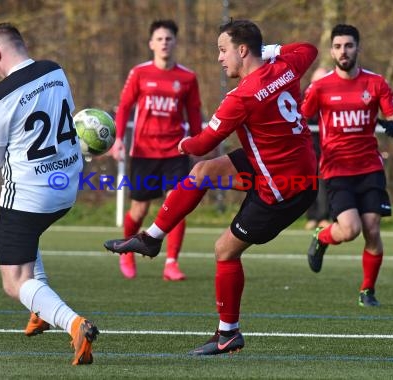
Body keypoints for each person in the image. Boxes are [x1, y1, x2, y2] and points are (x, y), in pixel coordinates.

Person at [105, 19, 318, 355]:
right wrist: (271, 51)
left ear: (242, 50)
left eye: (223, 50)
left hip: (282, 189)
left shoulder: (242, 96)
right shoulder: (286, 65)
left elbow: (204, 141)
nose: (219, 58)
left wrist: (183, 144)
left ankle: (227, 334)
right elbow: (309, 49)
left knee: (224, 250)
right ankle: (151, 239)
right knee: (203, 172)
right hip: (290, 168)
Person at [0, 23, 98, 365]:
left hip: (30, 196)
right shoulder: (54, 70)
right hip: (66, 187)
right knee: (29, 238)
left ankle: (73, 324)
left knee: (14, 282)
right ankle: (40, 310)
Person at [301, 24, 393, 307]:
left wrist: (392, 126)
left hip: (369, 168)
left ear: (358, 48)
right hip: (336, 169)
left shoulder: (375, 83)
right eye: (337, 47)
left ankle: (367, 291)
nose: (343, 52)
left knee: (372, 229)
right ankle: (322, 237)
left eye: (348, 46)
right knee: (349, 230)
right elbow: (300, 119)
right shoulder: (320, 87)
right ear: (332, 51)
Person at [109, 19, 203, 281]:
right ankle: (127, 251)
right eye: (159, 39)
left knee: (177, 205)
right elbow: (125, 106)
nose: (164, 43)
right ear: (151, 44)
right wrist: (118, 139)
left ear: (175, 43)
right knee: (139, 210)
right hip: (143, 152)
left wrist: (198, 144)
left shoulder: (187, 77)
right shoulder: (139, 72)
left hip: (176, 152)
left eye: (169, 39)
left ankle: (171, 263)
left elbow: (194, 113)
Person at [304, 67, 330, 230]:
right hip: (309, 145)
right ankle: (312, 216)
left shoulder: (330, 98)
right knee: (309, 180)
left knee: (325, 181)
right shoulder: (305, 96)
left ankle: (324, 216)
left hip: (327, 145)